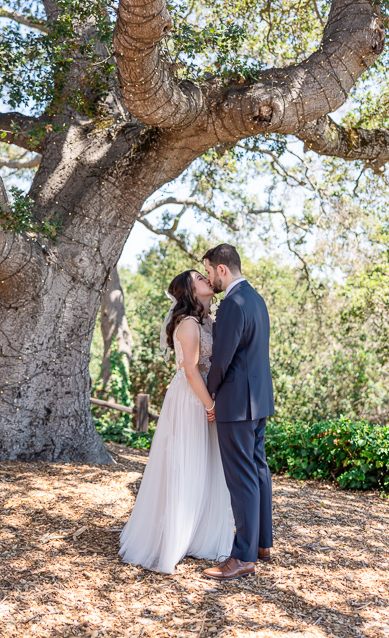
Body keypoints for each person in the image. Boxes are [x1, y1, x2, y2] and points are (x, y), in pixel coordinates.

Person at [118, 269, 234, 574]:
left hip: (206, 396)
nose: (206, 279)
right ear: (189, 291)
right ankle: (170, 539)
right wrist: (210, 405)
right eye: (199, 278)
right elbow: (192, 371)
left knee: (207, 465)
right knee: (187, 463)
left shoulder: (209, 321)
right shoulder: (188, 325)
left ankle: (198, 535)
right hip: (191, 399)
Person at [202, 243, 275, 581]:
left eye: (208, 271)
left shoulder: (232, 303)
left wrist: (210, 393)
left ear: (222, 269)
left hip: (235, 403)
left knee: (242, 477)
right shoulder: (257, 299)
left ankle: (243, 556)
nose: (208, 278)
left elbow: (222, 359)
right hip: (259, 401)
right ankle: (262, 544)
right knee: (258, 470)